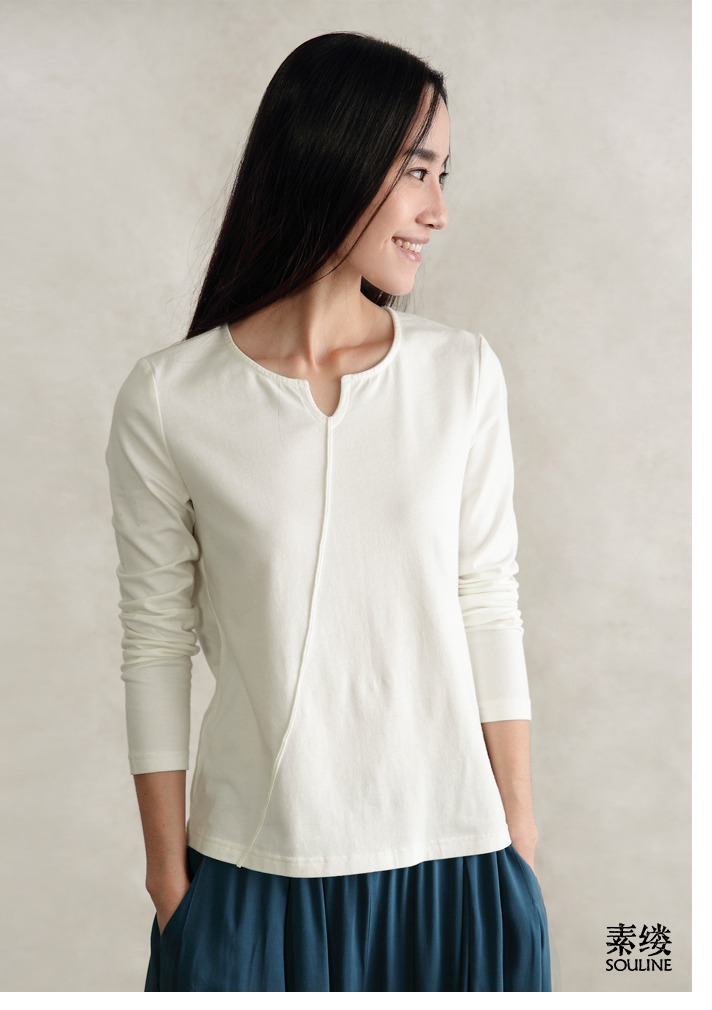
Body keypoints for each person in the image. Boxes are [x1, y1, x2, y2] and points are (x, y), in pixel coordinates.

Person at [105, 31, 553, 992]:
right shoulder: (170, 398)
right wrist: (169, 881)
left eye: (441, 175)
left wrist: (517, 841)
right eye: (417, 171)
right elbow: (154, 639)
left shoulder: (461, 375)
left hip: (455, 866)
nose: (438, 210)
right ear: (334, 156)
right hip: (249, 873)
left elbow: (487, 601)